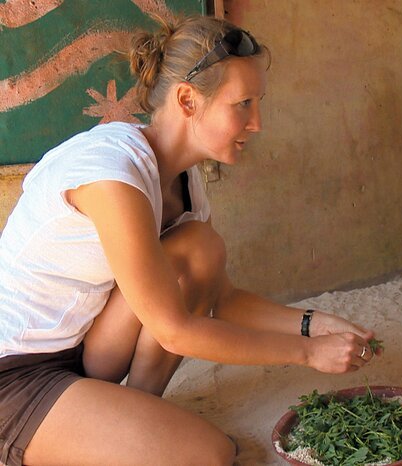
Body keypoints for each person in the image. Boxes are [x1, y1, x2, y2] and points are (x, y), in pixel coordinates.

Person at [0, 15, 379, 465]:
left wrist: (311, 323)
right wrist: (307, 352)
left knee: (200, 247)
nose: (257, 123)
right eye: (243, 104)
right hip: (15, 376)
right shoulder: (111, 175)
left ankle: (131, 416)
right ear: (187, 99)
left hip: (85, 353)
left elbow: (221, 298)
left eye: (259, 103)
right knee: (209, 455)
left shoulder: (184, 181)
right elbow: (173, 330)